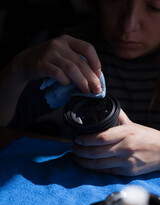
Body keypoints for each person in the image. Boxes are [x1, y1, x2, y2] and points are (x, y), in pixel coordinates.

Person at [0, 0, 160, 176]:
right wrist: (17, 70)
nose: (129, 25)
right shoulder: (73, 51)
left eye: (155, 8)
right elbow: (6, 127)